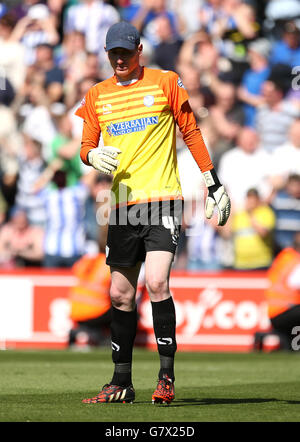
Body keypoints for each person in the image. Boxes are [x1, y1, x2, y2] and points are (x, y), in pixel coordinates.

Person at [75, 21, 230, 405]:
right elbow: (85, 145)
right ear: (107, 54)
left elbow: (190, 130)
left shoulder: (166, 82)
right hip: (122, 201)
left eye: (126, 52)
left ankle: (165, 377)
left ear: (139, 50)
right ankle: (121, 382)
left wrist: (213, 182)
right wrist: (90, 154)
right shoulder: (97, 95)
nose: (120, 59)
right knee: (120, 294)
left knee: (158, 283)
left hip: (162, 199)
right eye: (114, 53)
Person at [264, 232, 300, 350]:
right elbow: (295, 283)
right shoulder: (296, 260)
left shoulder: (285, 255)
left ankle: (293, 346)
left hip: (274, 311)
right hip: (286, 309)